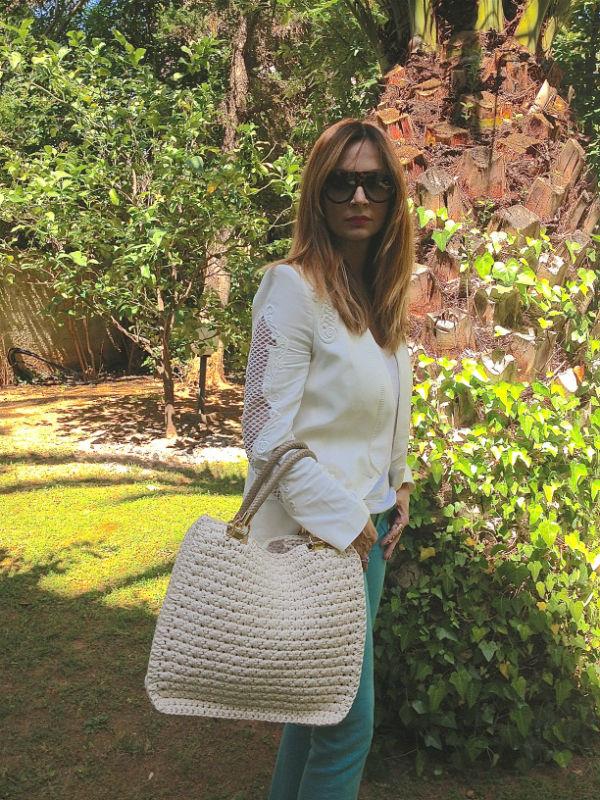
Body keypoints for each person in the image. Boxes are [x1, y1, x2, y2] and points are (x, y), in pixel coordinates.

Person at [240, 117, 415, 800]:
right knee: (345, 729)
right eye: (342, 182)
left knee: (313, 713)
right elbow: (263, 430)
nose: (359, 197)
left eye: (374, 182)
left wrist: (399, 482)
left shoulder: (380, 298)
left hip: (368, 534)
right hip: (322, 539)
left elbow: (382, 406)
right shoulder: (292, 288)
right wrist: (347, 520)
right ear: (318, 193)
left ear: (394, 194)